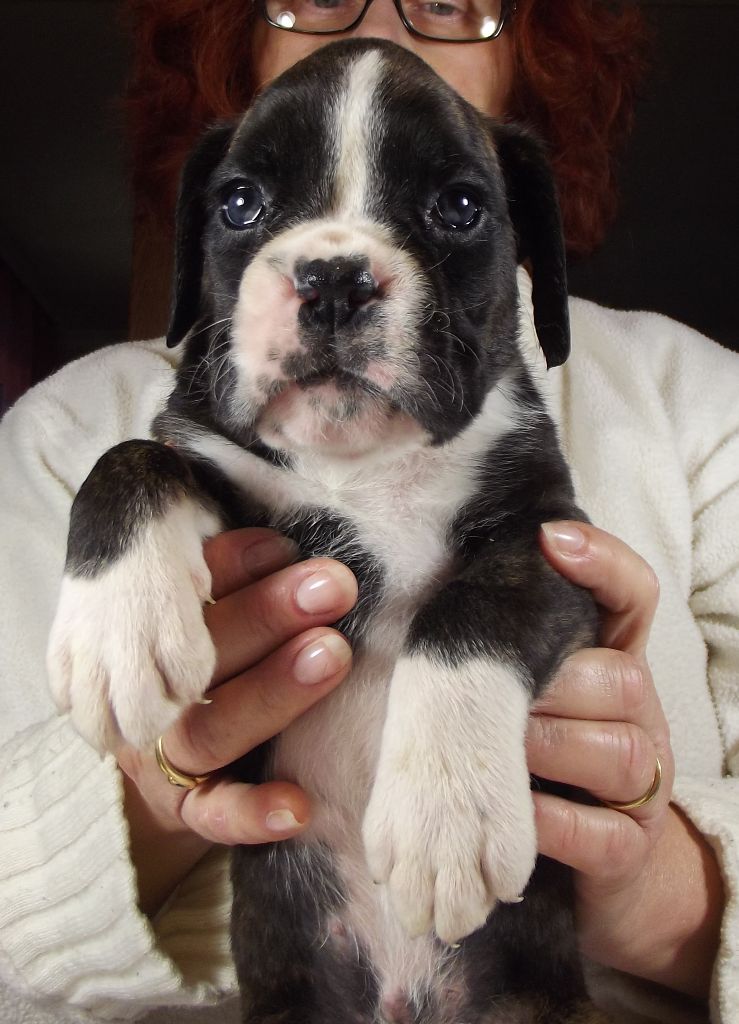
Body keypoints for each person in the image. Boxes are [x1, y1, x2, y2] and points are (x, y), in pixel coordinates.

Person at [0, 1, 736, 1022]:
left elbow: (522, 561)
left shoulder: (702, 408)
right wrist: (140, 784)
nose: (384, 26)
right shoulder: (66, 433)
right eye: (253, 202)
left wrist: (657, 889)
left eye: (449, 0)